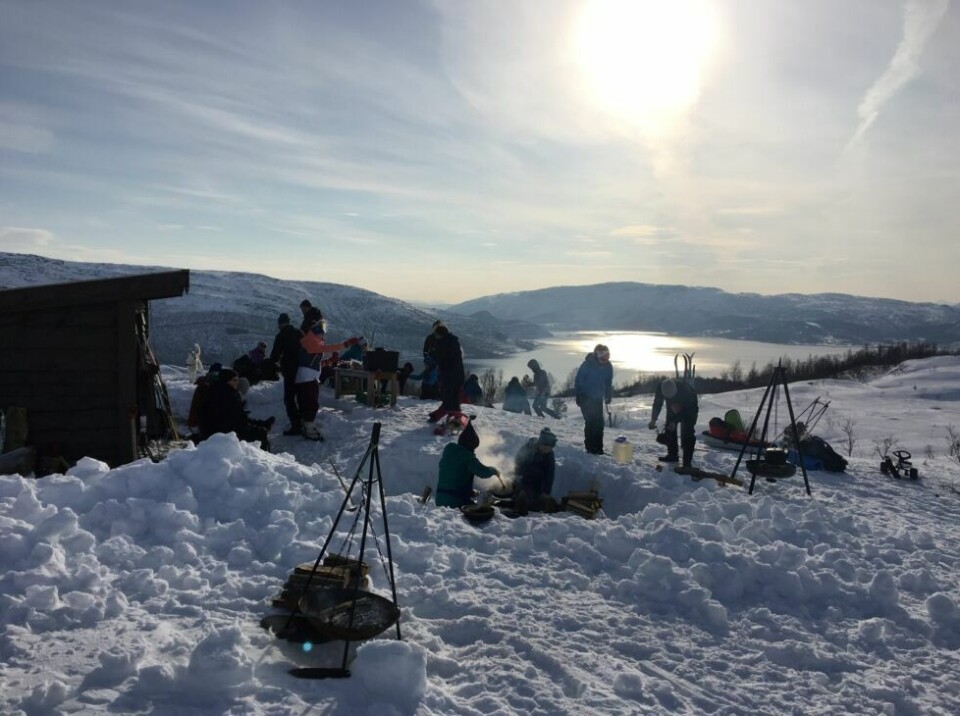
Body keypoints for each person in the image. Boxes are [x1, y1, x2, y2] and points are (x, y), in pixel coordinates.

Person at [295, 307, 360, 439]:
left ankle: (305, 425)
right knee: (311, 403)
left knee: (306, 402)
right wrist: (345, 344)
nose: (322, 337)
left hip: (306, 375)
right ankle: (309, 429)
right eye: (322, 334)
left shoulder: (308, 338)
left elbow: (313, 360)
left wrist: (329, 361)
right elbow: (323, 348)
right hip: (307, 377)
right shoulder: (312, 337)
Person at [197, 368, 272, 451]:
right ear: (227, 381)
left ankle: (261, 424)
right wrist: (258, 428)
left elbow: (236, 416)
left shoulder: (215, 390)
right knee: (261, 434)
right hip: (223, 433)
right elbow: (238, 420)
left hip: (211, 431)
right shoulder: (228, 395)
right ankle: (262, 457)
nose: (237, 383)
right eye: (234, 380)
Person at [435, 420, 501, 508]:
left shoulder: (450, 452)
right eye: (473, 447)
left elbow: (454, 475)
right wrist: (494, 470)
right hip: (454, 501)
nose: (474, 450)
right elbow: (483, 472)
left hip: (440, 498)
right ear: (470, 445)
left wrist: (469, 492)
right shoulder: (467, 457)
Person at [648, 378, 699, 468]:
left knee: (687, 431)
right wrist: (653, 419)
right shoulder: (661, 387)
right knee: (669, 427)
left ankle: (687, 462)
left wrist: (675, 421)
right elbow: (657, 403)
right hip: (673, 403)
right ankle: (672, 455)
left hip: (690, 405)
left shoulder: (686, 391)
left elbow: (686, 411)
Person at [269, 312, 305, 436]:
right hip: (303, 370)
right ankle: (305, 421)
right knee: (301, 396)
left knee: (289, 399)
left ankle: (296, 425)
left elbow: (274, 356)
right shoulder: (299, 333)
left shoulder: (281, 335)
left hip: (289, 370)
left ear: (279, 324)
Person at [574, 344, 613, 455]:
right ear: (596, 355)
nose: (604, 359)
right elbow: (578, 380)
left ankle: (598, 448)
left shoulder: (608, 366)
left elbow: (608, 382)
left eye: (607, 356)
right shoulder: (588, 364)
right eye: (602, 356)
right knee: (591, 422)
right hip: (586, 397)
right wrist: (579, 395)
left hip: (598, 398)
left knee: (599, 423)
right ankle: (590, 448)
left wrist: (608, 394)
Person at [513, 427, 558, 514]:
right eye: (545, 448)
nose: (547, 451)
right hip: (523, 477)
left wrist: (546, 491)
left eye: (550, 449)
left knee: (537, 502)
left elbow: (550, 474)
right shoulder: (528, 448)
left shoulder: (549, 455)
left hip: (538, 481)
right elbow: (517, 463)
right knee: (522, 497)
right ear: (540, 444)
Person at [428, 323, 465, 423]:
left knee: (448, 396)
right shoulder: (453, 341)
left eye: (435, 334)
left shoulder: (443, 342)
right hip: (459, 373)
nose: (435, 336)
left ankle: (450, 416)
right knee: (454, 396)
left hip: (449, 374)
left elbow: (441, 358)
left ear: (439, 333)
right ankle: (453, 416)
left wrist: (432, 354)